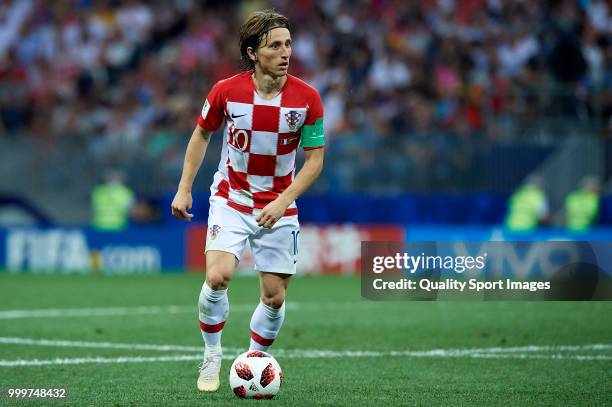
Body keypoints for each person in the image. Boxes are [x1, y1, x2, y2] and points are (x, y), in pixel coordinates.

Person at [170, 10, 325, 393]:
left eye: (288, 43)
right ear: (253, 52)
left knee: (274, 297)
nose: (285, 52)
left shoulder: (308, 99)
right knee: (217, 276)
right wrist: (184, 187)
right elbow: (201, 136)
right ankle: (211, 353)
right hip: (232, 198)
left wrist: (283, 200)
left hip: (280, 204)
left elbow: (315, 161)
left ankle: (253, 361)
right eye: (275, 45)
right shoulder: (226, 90)